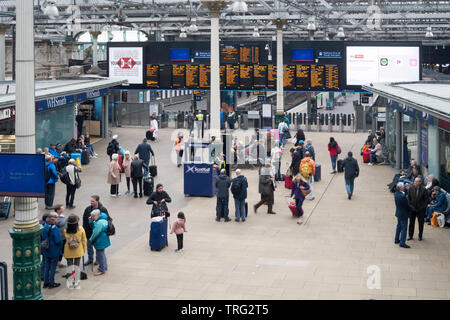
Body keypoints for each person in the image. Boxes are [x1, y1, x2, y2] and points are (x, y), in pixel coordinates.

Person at [83, 195, 109, 266]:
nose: (91, 202)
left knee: (99, 249)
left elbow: (108, 220)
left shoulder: (103, 209)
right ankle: (90, 259)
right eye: (91, 201)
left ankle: (98, 260)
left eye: (93, 201)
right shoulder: (87, 209)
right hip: (89, 232)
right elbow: (85, 220)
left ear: (97, 201)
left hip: (98, 234)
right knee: (89, 247)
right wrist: (85, 230)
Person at [41, 212, 62, 288]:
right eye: (57, 218)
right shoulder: (54, 228)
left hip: (46, 250)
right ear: (54, 219)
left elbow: (43, 237)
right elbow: (57, 240)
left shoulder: (45, 226)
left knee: (47, 266)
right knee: (53, 267)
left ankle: (45, 282)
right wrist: (61, 245)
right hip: (54, 251)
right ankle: (51, 283)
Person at [63, 214, 87, 278]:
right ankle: (76, 276)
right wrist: (83, 250)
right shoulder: (81, 229)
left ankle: (69, 276)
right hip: (78, 250)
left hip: (68, 250)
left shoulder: (65, 230)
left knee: (69, 264)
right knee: (77, 265)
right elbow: (84, 240)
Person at [88, 209, 110, 276]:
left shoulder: (100, 222)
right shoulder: (101, 219)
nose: (92, 218)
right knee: (102, 253)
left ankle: (102, 269)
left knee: (100, 255)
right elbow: (93, 226)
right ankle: (104, 266)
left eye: (93, 216)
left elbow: (95, 232)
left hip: (100, 240)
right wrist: (90, 221)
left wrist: (91, 240)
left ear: (98, 215)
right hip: (103, 239)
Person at [394, 182, 411, 248]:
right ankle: (402, 243)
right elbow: (407, 205)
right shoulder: (403, 196)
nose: (404, 187)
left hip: (399, 213)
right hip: (404, 214)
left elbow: (403, 193)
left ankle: (396, 239)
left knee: (398, 226)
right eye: (404, 186)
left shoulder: (396, 194)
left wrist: (406, 189)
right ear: (401, 188)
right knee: (404, 228)